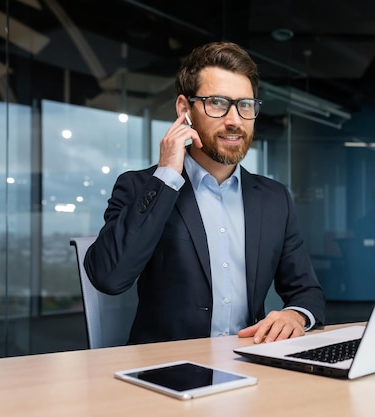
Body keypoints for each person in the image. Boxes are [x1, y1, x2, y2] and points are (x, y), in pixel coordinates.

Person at [84, 41, 325, 345]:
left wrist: (295, 315)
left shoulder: (274, 198)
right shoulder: (139, 187)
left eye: (245, 105)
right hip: (166, 371)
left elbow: (307, 291)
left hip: (250, 365)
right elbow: (108, 277)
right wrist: (167, 177)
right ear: (185, 109)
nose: (234, 120)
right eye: (218, 103)